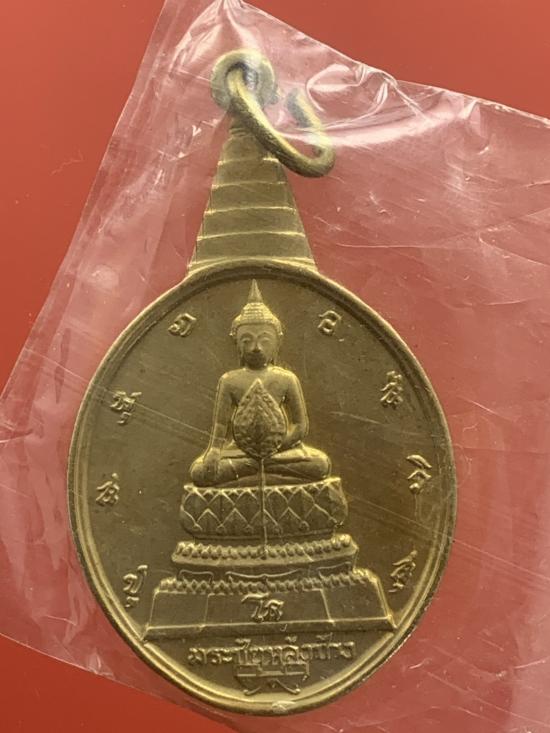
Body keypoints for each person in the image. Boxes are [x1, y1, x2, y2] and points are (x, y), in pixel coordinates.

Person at [190, 280, 331, 487]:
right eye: (246, 340)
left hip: (280, 450)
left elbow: (300, 425)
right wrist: (214, 450)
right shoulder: (229, 380)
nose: (256, 348)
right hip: (240, 451)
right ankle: (263, 470)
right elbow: (220, 426)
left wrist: (277, 446)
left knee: (320, 464)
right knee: (199, 471)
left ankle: (255, 470)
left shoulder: (287, 378)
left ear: (277, 342)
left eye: (264, 340)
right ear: (237, 344)